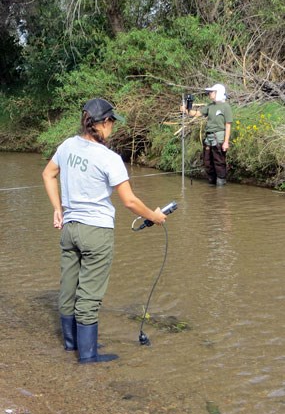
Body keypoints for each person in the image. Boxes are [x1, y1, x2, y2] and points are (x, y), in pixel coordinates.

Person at [42, 98, 167, 364]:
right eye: (111, 122)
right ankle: (87, 357)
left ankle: (70, 345)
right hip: (96, 232)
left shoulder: (67, 146)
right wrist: (154, 217)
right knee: (89, 296)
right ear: (103, 123)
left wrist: (57, 208)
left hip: (69, 229)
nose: (113, 128)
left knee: (68, 289)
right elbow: (130, 201)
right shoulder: (109, 159)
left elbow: (47, 174)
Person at [181, 83, 233, 186]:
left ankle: (220, 184)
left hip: (218, 137)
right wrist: (186, 109)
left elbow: (228, 125)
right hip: (208, 138)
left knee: (219, 162)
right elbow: (196, 114)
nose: (209, 94)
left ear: (218, 93)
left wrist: (226, 142)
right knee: (207, 162)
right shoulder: (210, 106)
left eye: (211, 92)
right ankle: (212, 183)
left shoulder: (225, 107)